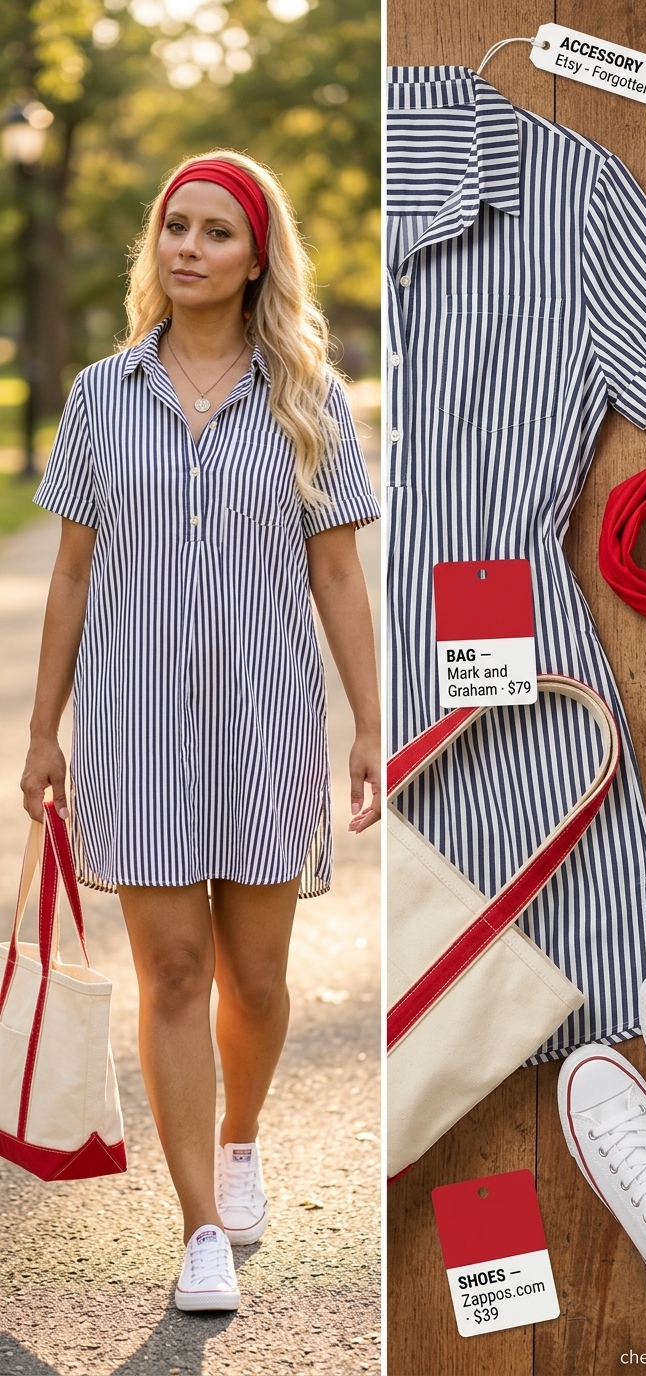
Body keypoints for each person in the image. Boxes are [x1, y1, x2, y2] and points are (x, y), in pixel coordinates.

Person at [20, 150, 381, 1312]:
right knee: (171, 969)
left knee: (258, 980)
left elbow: (338, 575)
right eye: (175, 225)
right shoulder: (96, 396)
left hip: (268, 723)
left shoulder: (309, 396)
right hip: (131, 729)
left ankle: (242, 1134)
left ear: (255, 256)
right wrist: (41, 733)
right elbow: (69, 578)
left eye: (217, 231)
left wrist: (373, 720)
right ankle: (199, 1227)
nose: (187, 246)